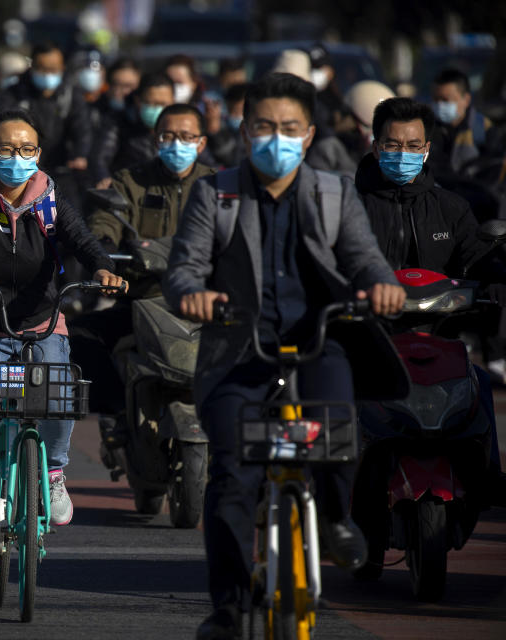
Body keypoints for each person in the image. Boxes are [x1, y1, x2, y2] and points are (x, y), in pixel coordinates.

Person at [162, 73, 406, 639]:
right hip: (237, 352)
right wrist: (193, 295)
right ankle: (227, 606)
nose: (278, 138)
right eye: (266, 127)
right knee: (230, 479)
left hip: (322, 343)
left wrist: (383, 286)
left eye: (289, 128)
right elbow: (183, 270)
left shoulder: (333, 191)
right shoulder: (215, 193)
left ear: (309, 132)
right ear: (246, 133)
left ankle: (339, 519)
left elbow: (365, 260)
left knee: (339, 431)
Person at [0, 109, 124, 542]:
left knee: (60, 398)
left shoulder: (52, 201)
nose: (17, 156)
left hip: (43, 322)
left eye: (27, 149)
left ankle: (52, 471)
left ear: (38, 153)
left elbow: (84, 241)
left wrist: (104, 268)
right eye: (6, 148)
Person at [352, 96, 506, 505]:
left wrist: (495, 279)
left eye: (413, 145)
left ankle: (487, 480)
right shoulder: (347, 206)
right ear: (375, 145)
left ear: (427, 150)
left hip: (437, 338)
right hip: (366, 341)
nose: (402, 154)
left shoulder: (451, 208)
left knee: (481, 383)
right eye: (392, 144)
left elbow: (478, 258)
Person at [70, 103, 215, 438]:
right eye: (168, 135)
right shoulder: (129, 182)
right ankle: (118, 413)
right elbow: (103, 225)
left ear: (202, 143)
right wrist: (104, 258)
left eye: (186, 136)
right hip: (142, 302)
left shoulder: (218, 186)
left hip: (204, 306)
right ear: (155, 139)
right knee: (76, 335)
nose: (177, 144)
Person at [0, 42, 92, 205]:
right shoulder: (15, 94)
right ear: (32, 67)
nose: (48, 74)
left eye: (53, 69)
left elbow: (82, 128)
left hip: (62, 170)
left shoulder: (70, 94)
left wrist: (79, 154)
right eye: (42, 68)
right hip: (22, 169)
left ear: (62, 67)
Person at [90, 73, 175, 189]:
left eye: (162, 104)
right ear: (138, 101)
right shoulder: (119, 124)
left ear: (173, 102)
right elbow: (100, 159)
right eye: (151, 103)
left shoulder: (182, 130)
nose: (157, 109)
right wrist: (104, 180)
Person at [430, 67, 494, 175]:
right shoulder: (427, 129)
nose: (440, 105)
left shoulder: (483, 129)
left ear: (466, 99)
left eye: (446, 100)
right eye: (436, 100)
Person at [206, 83, 249, 168]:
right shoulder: (222, 124)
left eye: (238, 111)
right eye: (230, 110)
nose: (234, 115)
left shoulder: (254, 133)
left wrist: (215, 132)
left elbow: (232, 159)